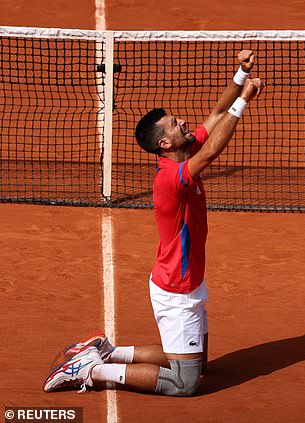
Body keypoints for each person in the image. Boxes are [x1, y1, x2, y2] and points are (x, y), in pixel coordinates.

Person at [43, 50, 264, 396]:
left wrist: (240, 75)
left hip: (185, 281)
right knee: (185, 383)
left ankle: (107, 350)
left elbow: (217, 113)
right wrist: (245, 103)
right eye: (176, 124)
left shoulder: (184, 150)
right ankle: (92, 371)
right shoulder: (171, 180)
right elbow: (212, 152)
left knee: (199, 363)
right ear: (164, 143)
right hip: (177, 291)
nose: (184, 124)